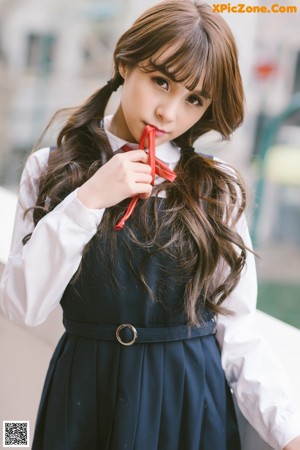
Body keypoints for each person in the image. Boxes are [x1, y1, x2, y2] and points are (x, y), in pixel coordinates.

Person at [1, 1, 300, 449]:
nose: (169, 113)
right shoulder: (52, 169)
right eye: (161, 81)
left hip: (188, 399)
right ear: (124, 63)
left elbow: (237, 330)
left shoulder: (217, 186)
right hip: (85, 393)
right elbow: (23, 305)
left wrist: (288, 432)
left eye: (194, 99)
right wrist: (89, 199)